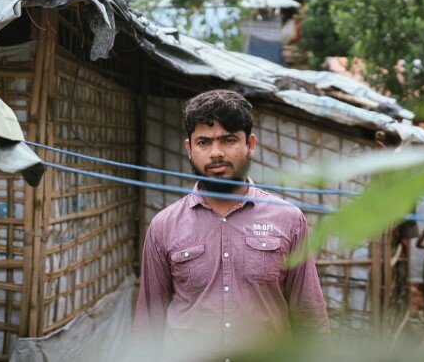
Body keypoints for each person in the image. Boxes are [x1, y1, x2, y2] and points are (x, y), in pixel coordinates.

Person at [131, 89, 330, 360]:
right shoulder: (163, 226)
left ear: (250, 144)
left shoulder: (288, 219)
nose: (215, 153)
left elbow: (309, 318)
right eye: (204, 142)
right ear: (189, 148)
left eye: (228, 140)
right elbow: (148, 325)